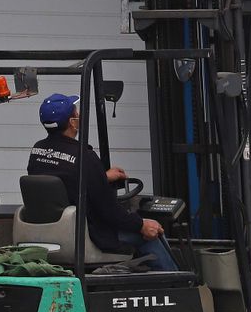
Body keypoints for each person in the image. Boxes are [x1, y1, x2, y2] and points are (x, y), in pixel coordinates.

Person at [27, 92, 178, 272]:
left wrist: (101, 177)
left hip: (51, 233)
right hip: (88, 233)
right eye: (76, 111)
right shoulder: (84, 156)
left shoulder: (38, 151)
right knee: (152, 234)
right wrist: (141, 224)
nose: (79, 114)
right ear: (72, 122)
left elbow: (64, 179)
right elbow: (108, 210)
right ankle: (176, 285)